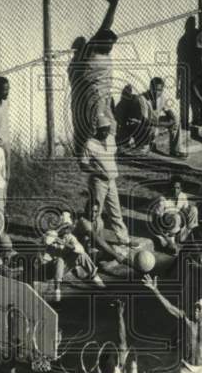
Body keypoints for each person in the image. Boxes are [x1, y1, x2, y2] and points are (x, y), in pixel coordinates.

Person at [71, 0, 122, 152]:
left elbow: (107, 29)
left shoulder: (100, 52)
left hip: (103, 95)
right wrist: (113, 5)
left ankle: (105, 154)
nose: (110, 47)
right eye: (108, 44)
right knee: (94, 129)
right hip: (92, 97)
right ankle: (88, 156)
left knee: (111, 126)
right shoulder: (89, 52)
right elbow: (105, 26)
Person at [79, 117, 131, 246]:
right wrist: (98, 172)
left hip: (111, 182)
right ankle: (95, 242)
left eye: (107, 130)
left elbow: (114, 155)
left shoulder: (111, 139)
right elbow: (83, 164)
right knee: (96, 214)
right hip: (98, 183)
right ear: (97, 129)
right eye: (103, 130)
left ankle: (124, 240)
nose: (105, 133)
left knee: (116, 211)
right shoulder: (89, 144)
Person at [42, 211, 105, 301]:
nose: (68, 229)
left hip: (61, 270)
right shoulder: (51, 233)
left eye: (68, 227)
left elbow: (80, 249)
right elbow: (47, 241)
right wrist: (59, 231)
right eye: (65, 227)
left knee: (81, 255)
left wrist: (64, 243)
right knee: (59, 260)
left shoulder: (70, 237)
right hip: (47, 269)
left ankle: (97, 279)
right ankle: (57, 294)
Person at [151, 174, 198, 255]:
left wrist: (185, 219)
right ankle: (172, 243)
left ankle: (191, 235)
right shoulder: (163, 200)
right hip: (166, 231)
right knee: (175, 216)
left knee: (193, 209)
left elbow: (186, 211)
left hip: (179, 228)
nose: (175, 190)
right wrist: (166, 238)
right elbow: (155, 220)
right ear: (170, 188)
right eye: (173, 187)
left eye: (178, 188)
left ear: (181, 189)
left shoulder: (183, 196)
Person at [139, 76, 185, 157]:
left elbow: (169, 112)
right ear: (150, 88)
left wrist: (172, 119)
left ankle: (175, 149)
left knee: (176, 120)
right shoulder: (142, 98)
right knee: (152, 130)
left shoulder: (162, 97)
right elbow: (145, 120)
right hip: (140, 124)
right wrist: (165, 124)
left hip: (154, 121)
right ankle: (144, 147)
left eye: (159, 90)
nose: (157, 92)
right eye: (154, 89)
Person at [113, 84, 147, 151]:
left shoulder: (136, 102)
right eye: (125, 94)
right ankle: (123, 144)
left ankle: (140, 145)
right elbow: (119, 121)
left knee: (142, 127)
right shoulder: (120, 105)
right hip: (124, 127)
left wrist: (135, 120)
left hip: (133, 125)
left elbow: (141, 118)